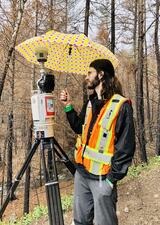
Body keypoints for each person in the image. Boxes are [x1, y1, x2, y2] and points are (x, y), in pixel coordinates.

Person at [60, 59, 135, 225]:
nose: (87, 77)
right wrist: (68, 106)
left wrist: (110, 180)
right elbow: (80, 128)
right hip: (82, 174)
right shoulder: (90, 103)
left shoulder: (121, 106)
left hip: (102, 179)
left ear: (101, 75)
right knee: (80, 221)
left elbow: (126, 148)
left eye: (89, 73)